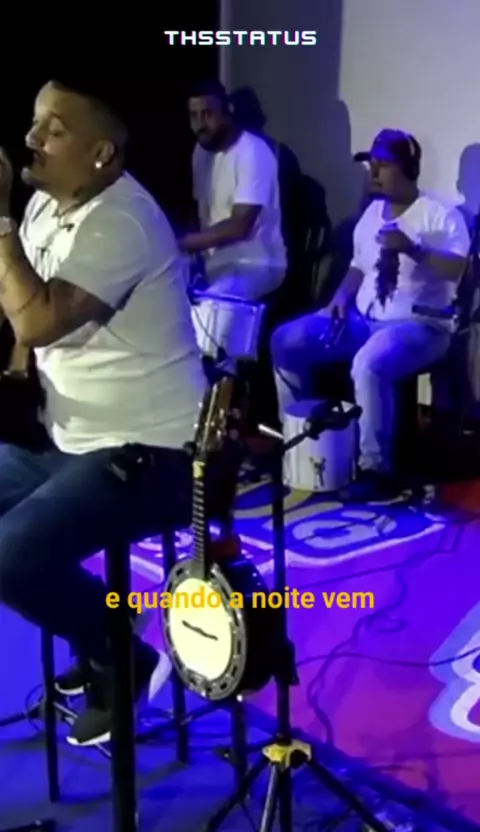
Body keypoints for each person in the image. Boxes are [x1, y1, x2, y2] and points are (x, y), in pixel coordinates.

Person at [0, 78, 206, 746]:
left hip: (153, 452)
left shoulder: (122, 221)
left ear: (101, 154)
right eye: (35, 122)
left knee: (10, 557)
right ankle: (94, 635)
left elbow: (38, 320)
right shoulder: (45, 205)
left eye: (54, 130)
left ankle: (120, 650)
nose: (32, 139)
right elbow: (23, 321)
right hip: (69, 439)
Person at [271, 129, 470, 500]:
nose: (373, 173)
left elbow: (458, 270)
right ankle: (300, 441)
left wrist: (414, 249)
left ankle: (375, 468)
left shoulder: (441, 215)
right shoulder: (371, 215)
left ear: (408, 168)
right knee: (286, 340)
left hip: (421, 326)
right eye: (371, 165)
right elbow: (358, 267)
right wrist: (338, 298)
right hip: (362, 319)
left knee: (369, 362)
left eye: (383, 165)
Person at [180, 79, 287, 361]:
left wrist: (183, 243)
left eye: (208, 114)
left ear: (227, 111)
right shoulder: (200, 153)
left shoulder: (253, 152)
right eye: (194, 116)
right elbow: (200, 212)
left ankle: (226, 379)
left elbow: (240, 225)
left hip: (255, 263)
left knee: (215, 312)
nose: (200, 124)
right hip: (215, 264)